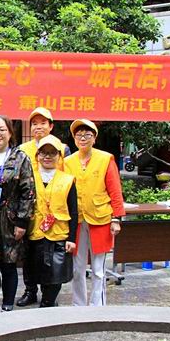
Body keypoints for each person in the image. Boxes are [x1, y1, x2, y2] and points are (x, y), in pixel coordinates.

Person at [64, 119, 125, 307]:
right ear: (74, 139)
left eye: (87, 135)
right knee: (77, 267)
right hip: (76, 220)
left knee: (98, 269)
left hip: (101, 218)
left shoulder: (106, 159)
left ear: (94, 138)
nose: (83, 138)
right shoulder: (67, 162)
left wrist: (116, 218)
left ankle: (98, 306)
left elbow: (115, 190)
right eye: (79, 135)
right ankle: (78, 305)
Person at [16, 107, 70, 307]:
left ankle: (49, 295)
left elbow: (65, 178)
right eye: (34, 123)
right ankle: (30, 290)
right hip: (31, 212)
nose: (38, 127)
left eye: (43, 123)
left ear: (51, 126)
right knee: (30, 257)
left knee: (52, 260)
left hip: (55, 214)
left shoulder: (62, 148)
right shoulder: (23, 149)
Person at [0, 116, 35, 313]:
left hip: (11, 218)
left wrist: (22, 222)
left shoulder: (20, 158)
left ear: (10, 132)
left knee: (9, 263)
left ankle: (7, 304)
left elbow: (28, 192)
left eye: (1, 130)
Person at [26, 135, 78, 307]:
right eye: (43, 153)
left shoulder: (68, 180)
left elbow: (73, 210)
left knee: (56, 272)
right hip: (35, 231)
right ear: (37, 156)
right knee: (35, 268)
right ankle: (35, 294)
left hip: (59, 233)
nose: (47, 157)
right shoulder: (30, 178)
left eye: (52, 153)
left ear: (59, 156)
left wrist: (71, 238)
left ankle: (48, 301)